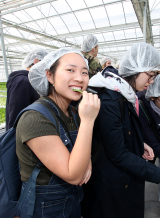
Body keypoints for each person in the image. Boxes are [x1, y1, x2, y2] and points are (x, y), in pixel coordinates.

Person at [81, 43, 160, 218]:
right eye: (150, 76)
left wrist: (139, 143)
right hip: (109, 185)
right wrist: (159, 175)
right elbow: (117, 153)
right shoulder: (110, 100)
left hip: (121, 179)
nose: (151, 83)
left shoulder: (124, 92)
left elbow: (120, 131)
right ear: (136, 69)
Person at [16, 48, 100, 217]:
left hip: (71, 202)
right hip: (44, 208)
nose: (79, 78)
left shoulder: (72, 111)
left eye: (84, 72)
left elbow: (80, 150)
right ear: (49, 76)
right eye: (70, 70)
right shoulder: (35, 118)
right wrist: (88, 121)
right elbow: (73, 175)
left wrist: (87, 159)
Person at [5, 48, 48, 130]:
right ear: (36, 62)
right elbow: (16, 116)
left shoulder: (31, 81)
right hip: (21, 136)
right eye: (46, 66)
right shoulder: (22, 82)